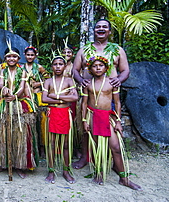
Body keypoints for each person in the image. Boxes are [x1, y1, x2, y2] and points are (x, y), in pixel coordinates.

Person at [72, 19, 130, 169]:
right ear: (94, 30)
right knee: (87, 127)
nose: (101, 29)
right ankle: (86, 157)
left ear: (109, 31)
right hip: (88, 94)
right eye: (98, 27)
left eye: (105, 27)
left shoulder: (117, 50)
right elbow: (75, 70)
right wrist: (80, 80)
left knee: (113, 128)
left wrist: (119, 80)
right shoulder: (85, 50)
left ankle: (114, 159)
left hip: (109, 95)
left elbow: (125, 70)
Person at [82, 56, 141, 190]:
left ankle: (124, 178)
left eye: (100, 65)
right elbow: (84, 104)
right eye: (94, 66)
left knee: (116, 147)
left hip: (107, 117)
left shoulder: (112, 83)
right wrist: (85, 120)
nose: (98, 68)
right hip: (93, 116)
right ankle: (99, 173)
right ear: (90, 69)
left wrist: (118, 121)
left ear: (106, 68)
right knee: (97, 147)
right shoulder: (88, 84)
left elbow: (118, 102)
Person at [0, 46, 38, 179]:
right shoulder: (2, 70)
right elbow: (0, 84)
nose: (11, 59)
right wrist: (4, 88)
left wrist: (15, 96)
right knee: (2, 134)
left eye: (14, 56)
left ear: (18, 58)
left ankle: (19, 165)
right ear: (5, 59)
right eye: (9, 57)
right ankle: (2, 163)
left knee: (20, 135)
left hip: (19, 104)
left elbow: (22, 87)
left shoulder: (22, 71)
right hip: (4, 103)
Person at [42, 54, 78, 184]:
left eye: (60, 64)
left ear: (65, 66)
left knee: (66, 144)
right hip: (53, 113)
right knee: (51, 144)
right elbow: (44, 99)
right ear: (51, 67)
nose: (58, 67)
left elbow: (75, 98)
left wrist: (55, 96)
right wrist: (64, 97)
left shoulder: (69, 81)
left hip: (65, 113)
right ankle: (51, 171)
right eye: (55, 64)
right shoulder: (48, 81)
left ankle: (66, 171)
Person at [22, 46, 49, 158]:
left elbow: (48, 79)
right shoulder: (21, 67)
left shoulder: (39, 67)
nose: (30, 57)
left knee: (41, 121)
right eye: (28, 55)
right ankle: (31, 148)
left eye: (32, 55)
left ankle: (42, 148)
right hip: (26, 97)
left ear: (35, 56)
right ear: (24, 55)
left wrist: (39, 84)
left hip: (38, 96)